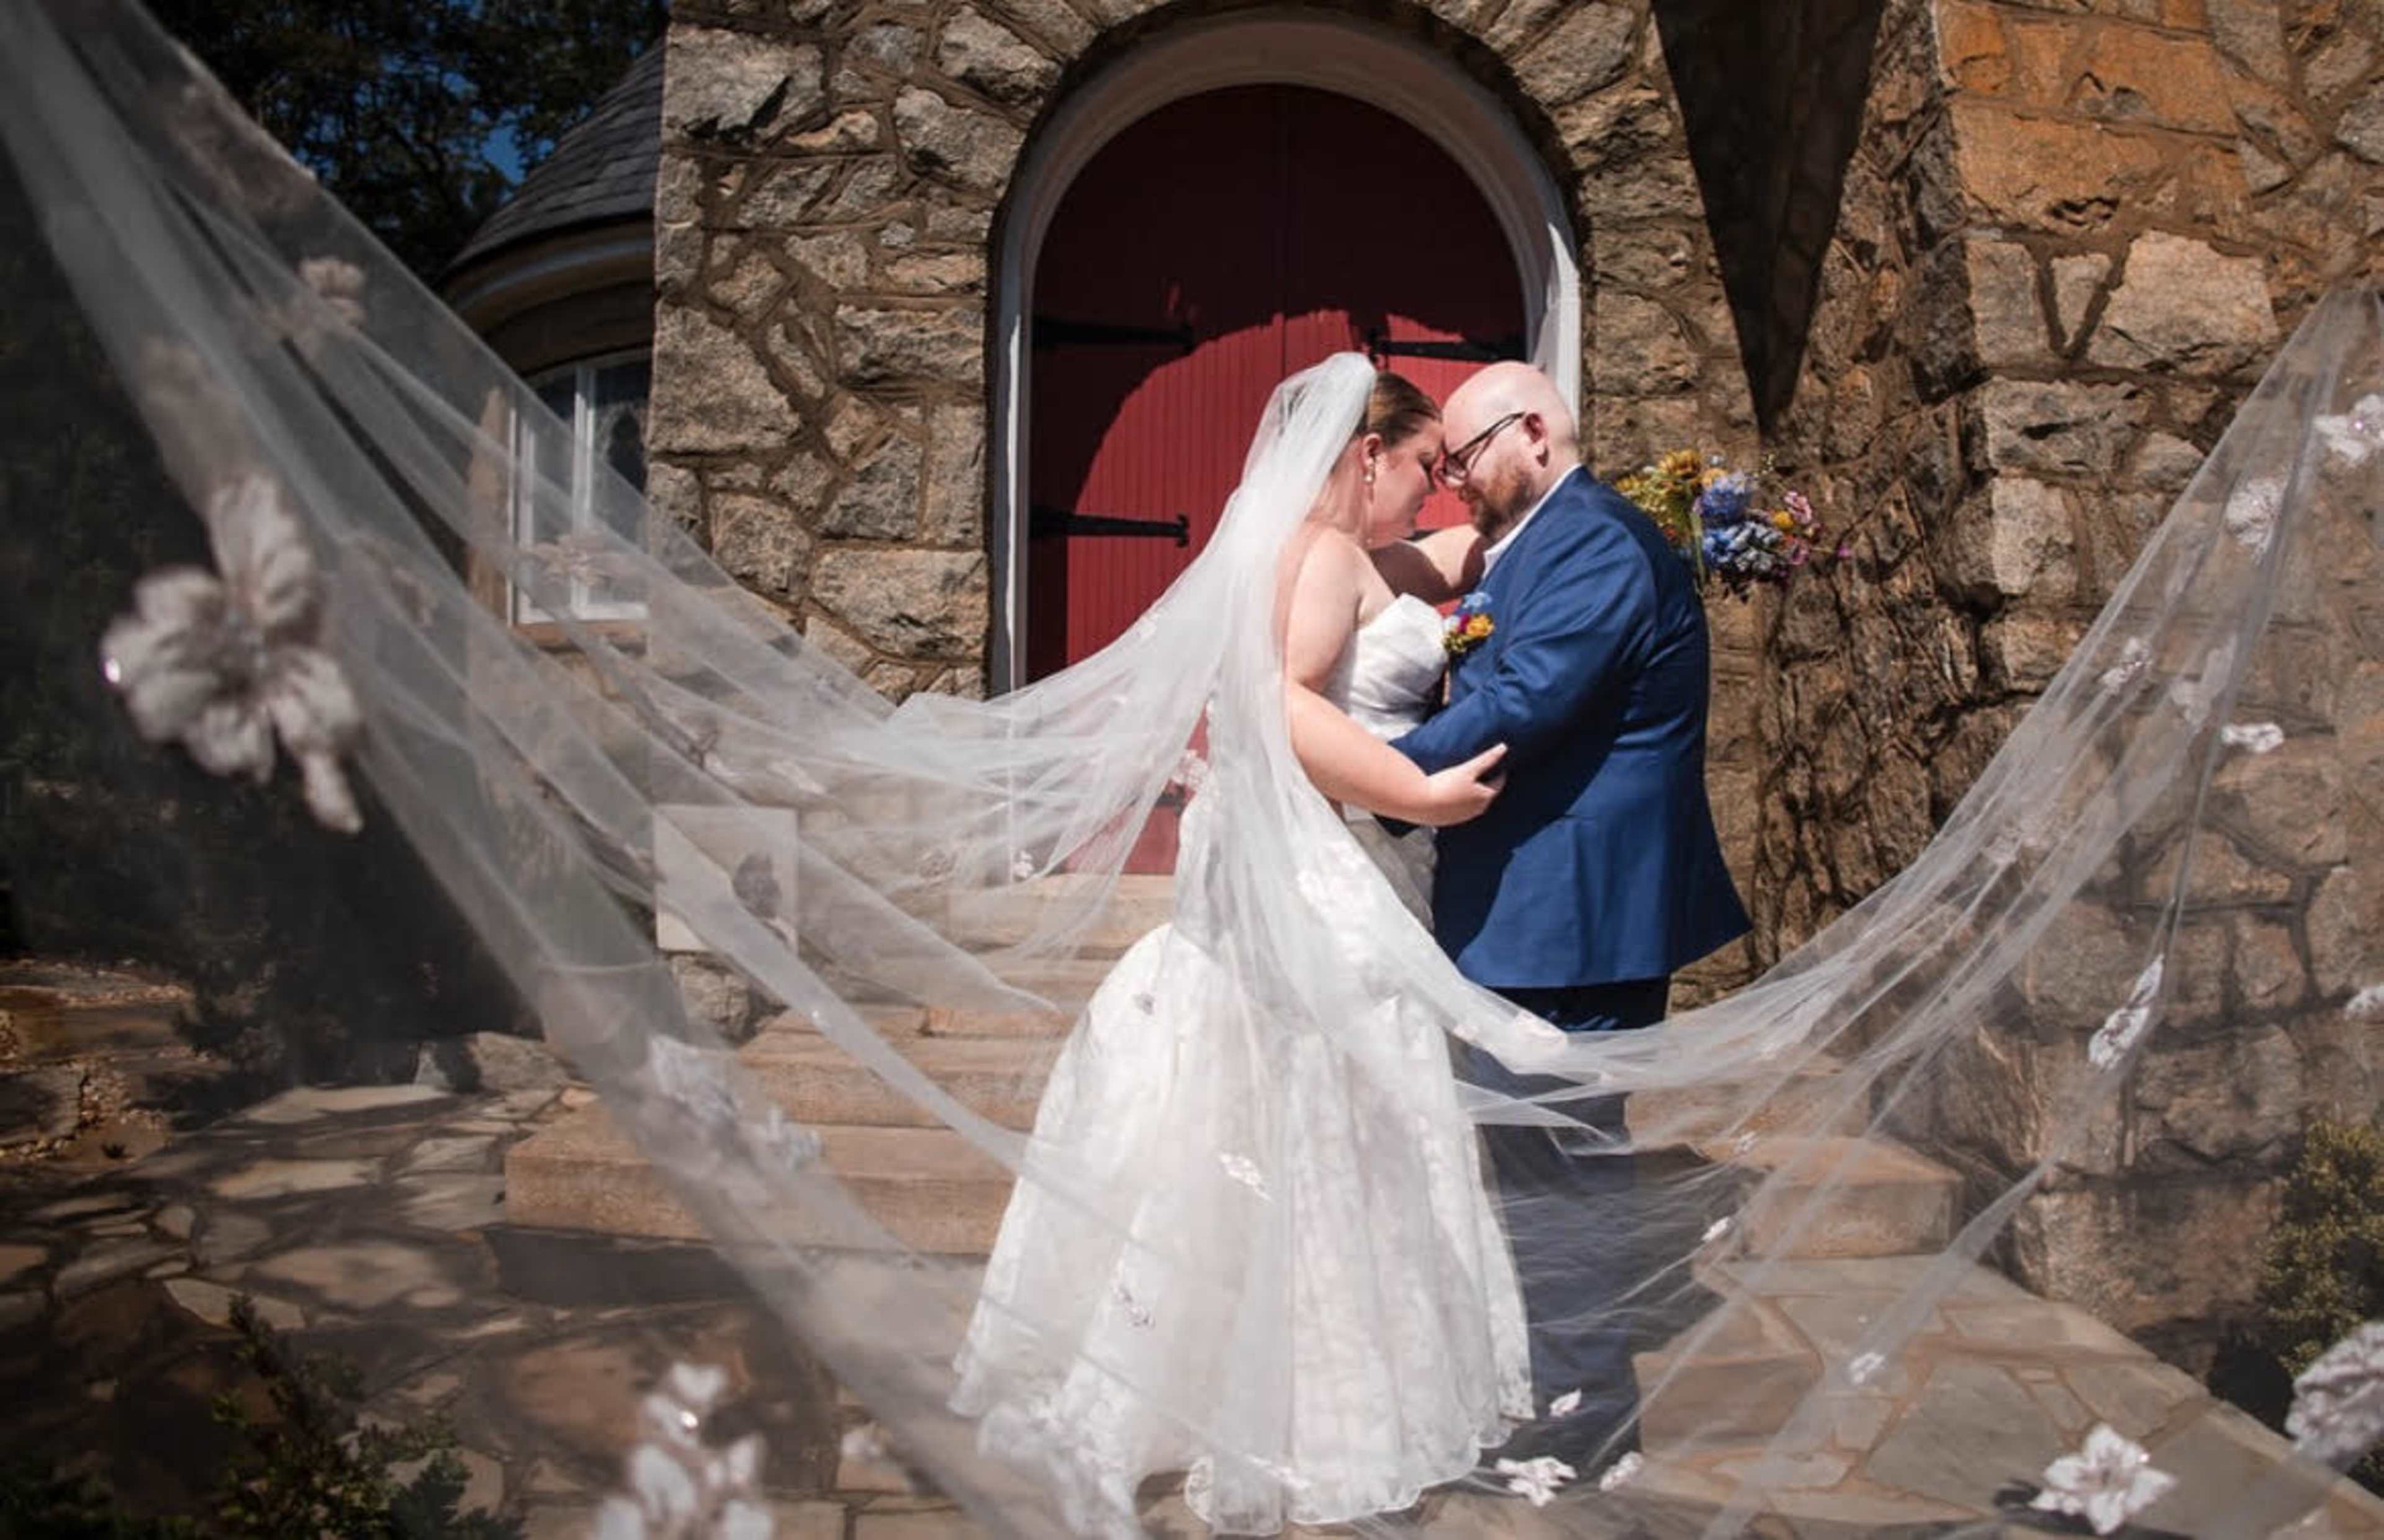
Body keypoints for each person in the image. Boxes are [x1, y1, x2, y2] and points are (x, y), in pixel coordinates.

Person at [949, 367, 1538, 1536]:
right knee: (1339, 1114)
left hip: (1312, 867)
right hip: (1327, 873)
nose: (1435, 490)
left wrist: (1576, 502)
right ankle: (1324, 1418)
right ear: (1366, 456)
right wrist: (1420, 791)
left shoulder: (1338, 554)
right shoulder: (1321, 559)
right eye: (1423, 466)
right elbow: (1284, 704)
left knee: (1284, 1120)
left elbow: (1454, 553)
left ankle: (1237, 1389)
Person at [1389, 362, 1751, 1469]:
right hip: (1531, 910)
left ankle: (1587, 1424)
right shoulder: (1540, 538)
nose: (1454, 481)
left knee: (1564, 1171)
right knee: (1537, 1166)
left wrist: (1365, 773)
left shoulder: (1594, 545)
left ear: (1536, 433)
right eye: (1442, 464)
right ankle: (1553, 1388)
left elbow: (1524, 700)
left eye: (1465, 457)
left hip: (1574, 921)